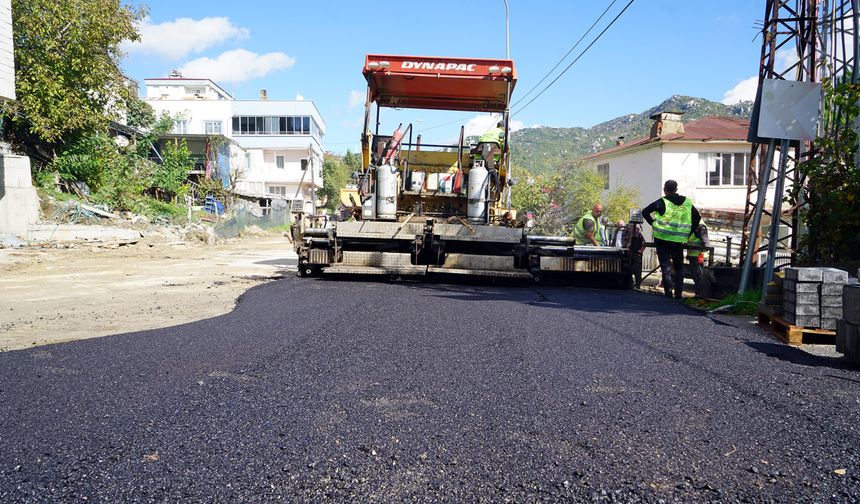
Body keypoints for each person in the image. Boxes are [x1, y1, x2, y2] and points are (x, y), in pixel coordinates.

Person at [643, 180, 701, 299]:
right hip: (678, 240)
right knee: (679, 268)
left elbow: (645, 212)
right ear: (676, 189)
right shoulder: (687, 203)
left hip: (662, 238)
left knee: (665, 267)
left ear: (665, 189)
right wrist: (689, 231)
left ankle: (668, 293)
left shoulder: (662, 202)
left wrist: (653, 223)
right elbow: (697, 217)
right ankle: (678, 294)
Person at [623, 219, 646, 289]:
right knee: (628, 270)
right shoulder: (627, 234)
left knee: (637, 271)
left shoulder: (638, 234)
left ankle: (637, 285)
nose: (628, 229)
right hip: (629, 254)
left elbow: (644, 243)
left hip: (636, 255)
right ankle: (629, 285)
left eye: (629, 228)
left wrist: (640, 251)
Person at [686, 223, 709, 287]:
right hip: (694, 256)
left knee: (699, 276)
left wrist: (701, 253)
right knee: (697, 276)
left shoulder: (700, 225)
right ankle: (699, 292)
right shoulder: (693, 224)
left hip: (698, 256)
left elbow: (706, 243)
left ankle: (699, 293)